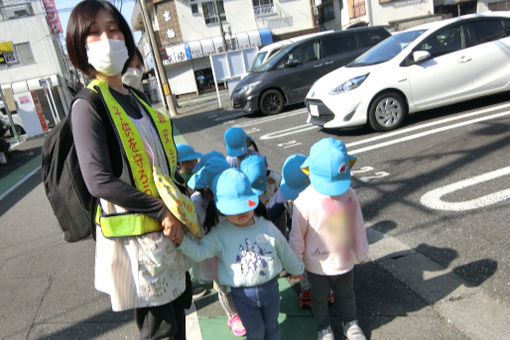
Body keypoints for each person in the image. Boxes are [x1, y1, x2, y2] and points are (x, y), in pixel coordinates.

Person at [66, 1, 191, 339]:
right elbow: (98, 180)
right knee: (160, 331)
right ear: (80, 47)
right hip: (140, 246)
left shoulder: (135, 98)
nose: (107, 39)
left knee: (177, 319)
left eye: (113, 29)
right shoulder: (87, 105)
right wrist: (162, 211)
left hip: (167, 236)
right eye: (94, 33)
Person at [175, 168, 305, 340]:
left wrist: (297, 268)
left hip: (271, 289)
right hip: (242, 295)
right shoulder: (219, 234)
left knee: (272, 326)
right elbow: (200, 252)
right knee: (256, 332)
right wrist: (181, 242)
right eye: (234, 209)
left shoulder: (265, 226)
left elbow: (284, 249)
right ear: (220, 208)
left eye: (245, 205)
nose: (241, 212)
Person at [289, 138, 368, 340]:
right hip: (317, 264)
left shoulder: (350, 194)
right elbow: (297, 235)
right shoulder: (304, 201)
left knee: (347, 294)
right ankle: (324, 328)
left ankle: (350, 323)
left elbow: (357, 223)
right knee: (319, 298)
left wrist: (361, 250)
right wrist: (295, 263)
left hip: (344, 259)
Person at [187, 157, 247, 337]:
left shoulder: (228, 197)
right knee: (223, 287)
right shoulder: (197, 203)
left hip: (232, 249)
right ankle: (234, 315)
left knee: (238, 282)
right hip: (215, 255)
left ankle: (243, 308)